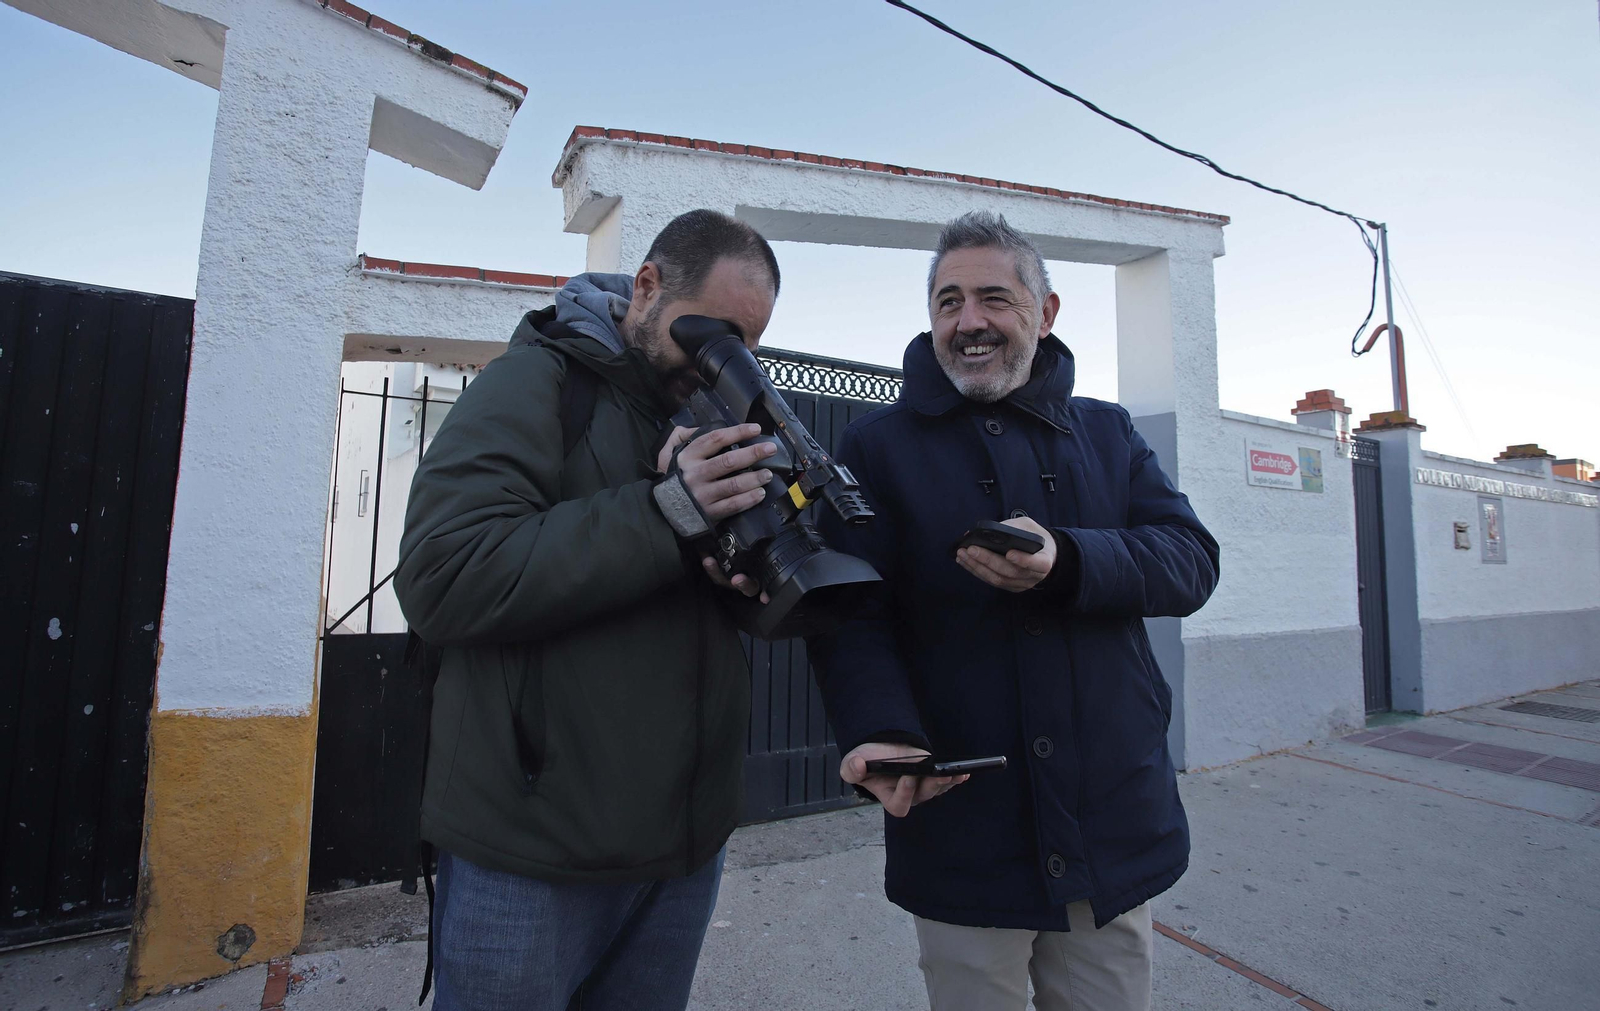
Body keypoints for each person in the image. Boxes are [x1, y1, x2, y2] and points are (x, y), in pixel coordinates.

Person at [808, 211, 1220, 1011]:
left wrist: (1069, 560)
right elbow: (852, 613)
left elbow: (1190, 560)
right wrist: (878, 726)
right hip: (964, 821)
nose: (969, 322)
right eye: (949, 301)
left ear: (1047, 311)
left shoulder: (1107, 432)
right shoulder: (875, 446)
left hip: (1110, 815)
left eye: (994, 298)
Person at [394, 209, 784, 1011]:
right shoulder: (537, 381)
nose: (726, 364)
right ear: (645, 287)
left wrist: (742, 575)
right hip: (531, 857)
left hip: (680, 853)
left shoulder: (707, 417)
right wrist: (665, 514)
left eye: (748, 345)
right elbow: (442, 574)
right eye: (710, 335)